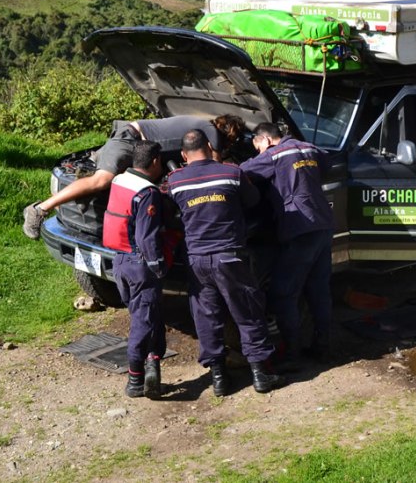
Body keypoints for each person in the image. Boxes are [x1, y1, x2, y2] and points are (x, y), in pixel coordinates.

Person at [167, 129, 283, 396]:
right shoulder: (231, 172)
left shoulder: (175, 180)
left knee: (207, 317)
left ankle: (218, 378)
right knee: (247, 311)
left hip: (197, 260)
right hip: (229, 256)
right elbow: (253, 201)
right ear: (209, 147)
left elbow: (172, 212)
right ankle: (261, 375)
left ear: (183, 155)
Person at [22, 114, 246, 240]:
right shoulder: (210, 130)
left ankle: (90, 201)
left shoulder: (201, 124)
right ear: (230, 133)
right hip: (131, 140)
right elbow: (214, 167)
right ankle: (39, 209)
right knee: (102, 180)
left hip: (138, 142)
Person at [240, 123, 334, 366]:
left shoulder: (274, 154)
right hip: (323, 224)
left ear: (265, 140)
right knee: (319, 290)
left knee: (283, 293)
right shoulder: (309, 147)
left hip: (300, 228)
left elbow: (240, 173)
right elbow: (328, 164)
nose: (259, 152)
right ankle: (324, 347)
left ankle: (291, 355)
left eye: (258, 147)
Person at [102, 140, 170, 400]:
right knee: (143, 322)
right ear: (155, 161)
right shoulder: (147, 193)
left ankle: (153, 362)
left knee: (148, 315)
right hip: (140, 264)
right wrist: (158, 266)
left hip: (119, 261)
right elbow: (146, 237)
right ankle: (135, 379)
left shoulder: (119, 180)